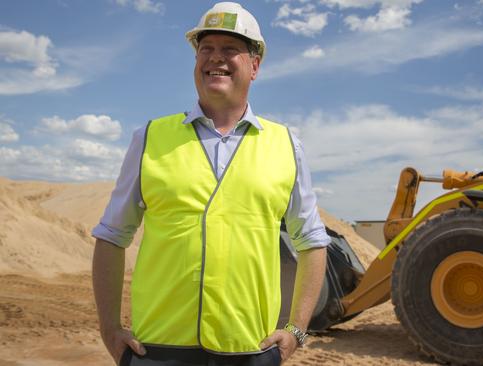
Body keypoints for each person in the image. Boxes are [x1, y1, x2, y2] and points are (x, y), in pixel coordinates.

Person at [91, 2, 330, 365]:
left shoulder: (285, 145)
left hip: (250, 348)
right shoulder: (151, 137)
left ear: (255, 65)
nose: (215, 58)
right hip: (158, 348)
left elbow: (312, 241)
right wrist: (109, 327)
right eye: (207, 49)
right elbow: (111, 235)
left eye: (230, 49)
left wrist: (296, 329)